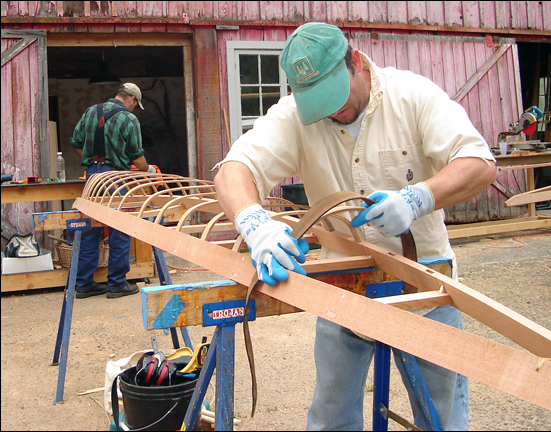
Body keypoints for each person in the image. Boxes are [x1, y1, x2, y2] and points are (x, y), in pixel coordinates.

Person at [214, 22, 497, 431]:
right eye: (318, 103)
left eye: (336, 96)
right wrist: (254, 222)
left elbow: (479, 163)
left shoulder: (412, 96)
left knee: (441, 417)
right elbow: (234, 169)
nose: (332, 111)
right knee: (331, 417)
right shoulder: (294, 116)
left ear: (357, 63)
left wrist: (419, 198)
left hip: (426, 286)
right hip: (343, 286)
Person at [70, 83, 157, 299]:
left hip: (92, 176)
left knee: (90, 227)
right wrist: (149, 170)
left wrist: (91, 158)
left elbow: (76, 142)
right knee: (120, 227)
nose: (133, 109)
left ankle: (83, 284)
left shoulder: (91, 111)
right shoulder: (129, 119)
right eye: (135, 105)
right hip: (116, 176)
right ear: (132, 100)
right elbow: (136, 157)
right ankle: (117, 283)